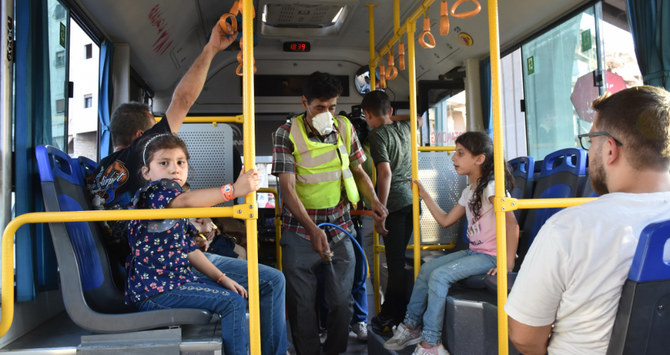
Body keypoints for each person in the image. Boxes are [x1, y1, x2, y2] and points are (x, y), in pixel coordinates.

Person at [505, 86, 670, 355]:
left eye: (590, 140)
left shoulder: (568, 229)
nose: (589, 151)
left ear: (609, 149)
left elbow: (525, 337)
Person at [86, 22, 238, 268]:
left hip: (125, 256)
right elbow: (183, 100)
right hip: (154, 261)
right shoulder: (141, 153)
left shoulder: (99, 172)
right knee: (245, 259)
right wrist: (211, 48)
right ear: (140, 137)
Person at [127, 133, 288, 355]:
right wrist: (233, 190)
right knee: (232, 302)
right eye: (164, 163)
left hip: (173, 278)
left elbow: (189, 249)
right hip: (156, 288)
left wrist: (222, 278)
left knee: (246, 291)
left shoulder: (174, 204)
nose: (174, 169)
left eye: (180, 162)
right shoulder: (155, 193)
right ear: (146, 172)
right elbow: (185, 202)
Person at [272, 71, 388, 354]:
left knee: (341, 301)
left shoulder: (345, 128)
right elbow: (287, 190)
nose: (327, 114)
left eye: (332, 107)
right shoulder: (285, 134)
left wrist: (375, 200)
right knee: (302, 305)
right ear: (304, 103)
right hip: (299, 231)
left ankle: (336, 351)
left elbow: (359, 171)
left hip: (340, 226)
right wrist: (312, 230)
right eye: (319, 108)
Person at [384, 131, 519, 355]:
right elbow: (446, 221)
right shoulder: (470, 191)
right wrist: (425, 195)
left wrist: (507, 265)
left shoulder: (492, 187)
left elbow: (511, 225)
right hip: (475, 253)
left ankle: (431, 343)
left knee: (440, 276)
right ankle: (411, 325)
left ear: (479, 159)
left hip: (491, 257)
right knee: (426, 269)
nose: (453, 158)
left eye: (460, 153)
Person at [361, 90, 414, 335]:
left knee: (394, 264)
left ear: (367, 115)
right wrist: (393, 117)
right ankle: (397, 311)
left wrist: (380, 209)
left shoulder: (377, 135)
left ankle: (393, 315)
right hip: (413, 201)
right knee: (399, 261)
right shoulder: (405, 128)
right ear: (391, 111)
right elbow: (419, 119)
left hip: (393, 204)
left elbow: (385, 173)